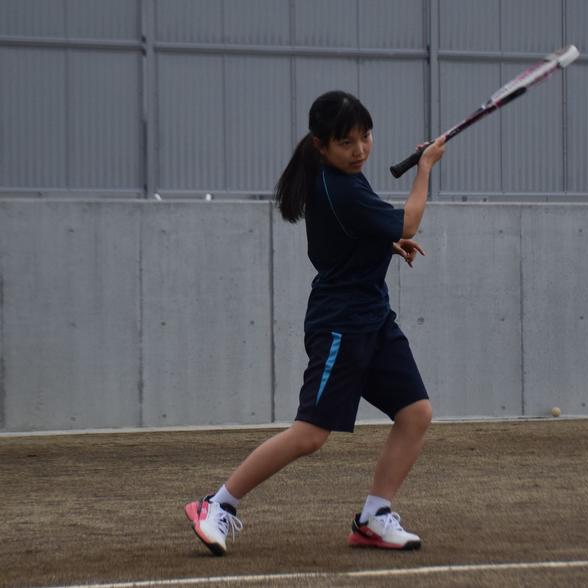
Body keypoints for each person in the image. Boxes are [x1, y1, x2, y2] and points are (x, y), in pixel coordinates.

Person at [184, 90, 446, 555]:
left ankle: (375, 516)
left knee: (415, 413)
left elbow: (354, 234)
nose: (360, 150)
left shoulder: (345, 179)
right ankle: (217, 504)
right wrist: (425, 169)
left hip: (374, 320)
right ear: (321, 146)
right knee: (310, 433)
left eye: (365, 137)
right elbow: (408, 222)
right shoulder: (341, 187)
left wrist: (382, 245)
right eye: (347, 142)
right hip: (341, 325)